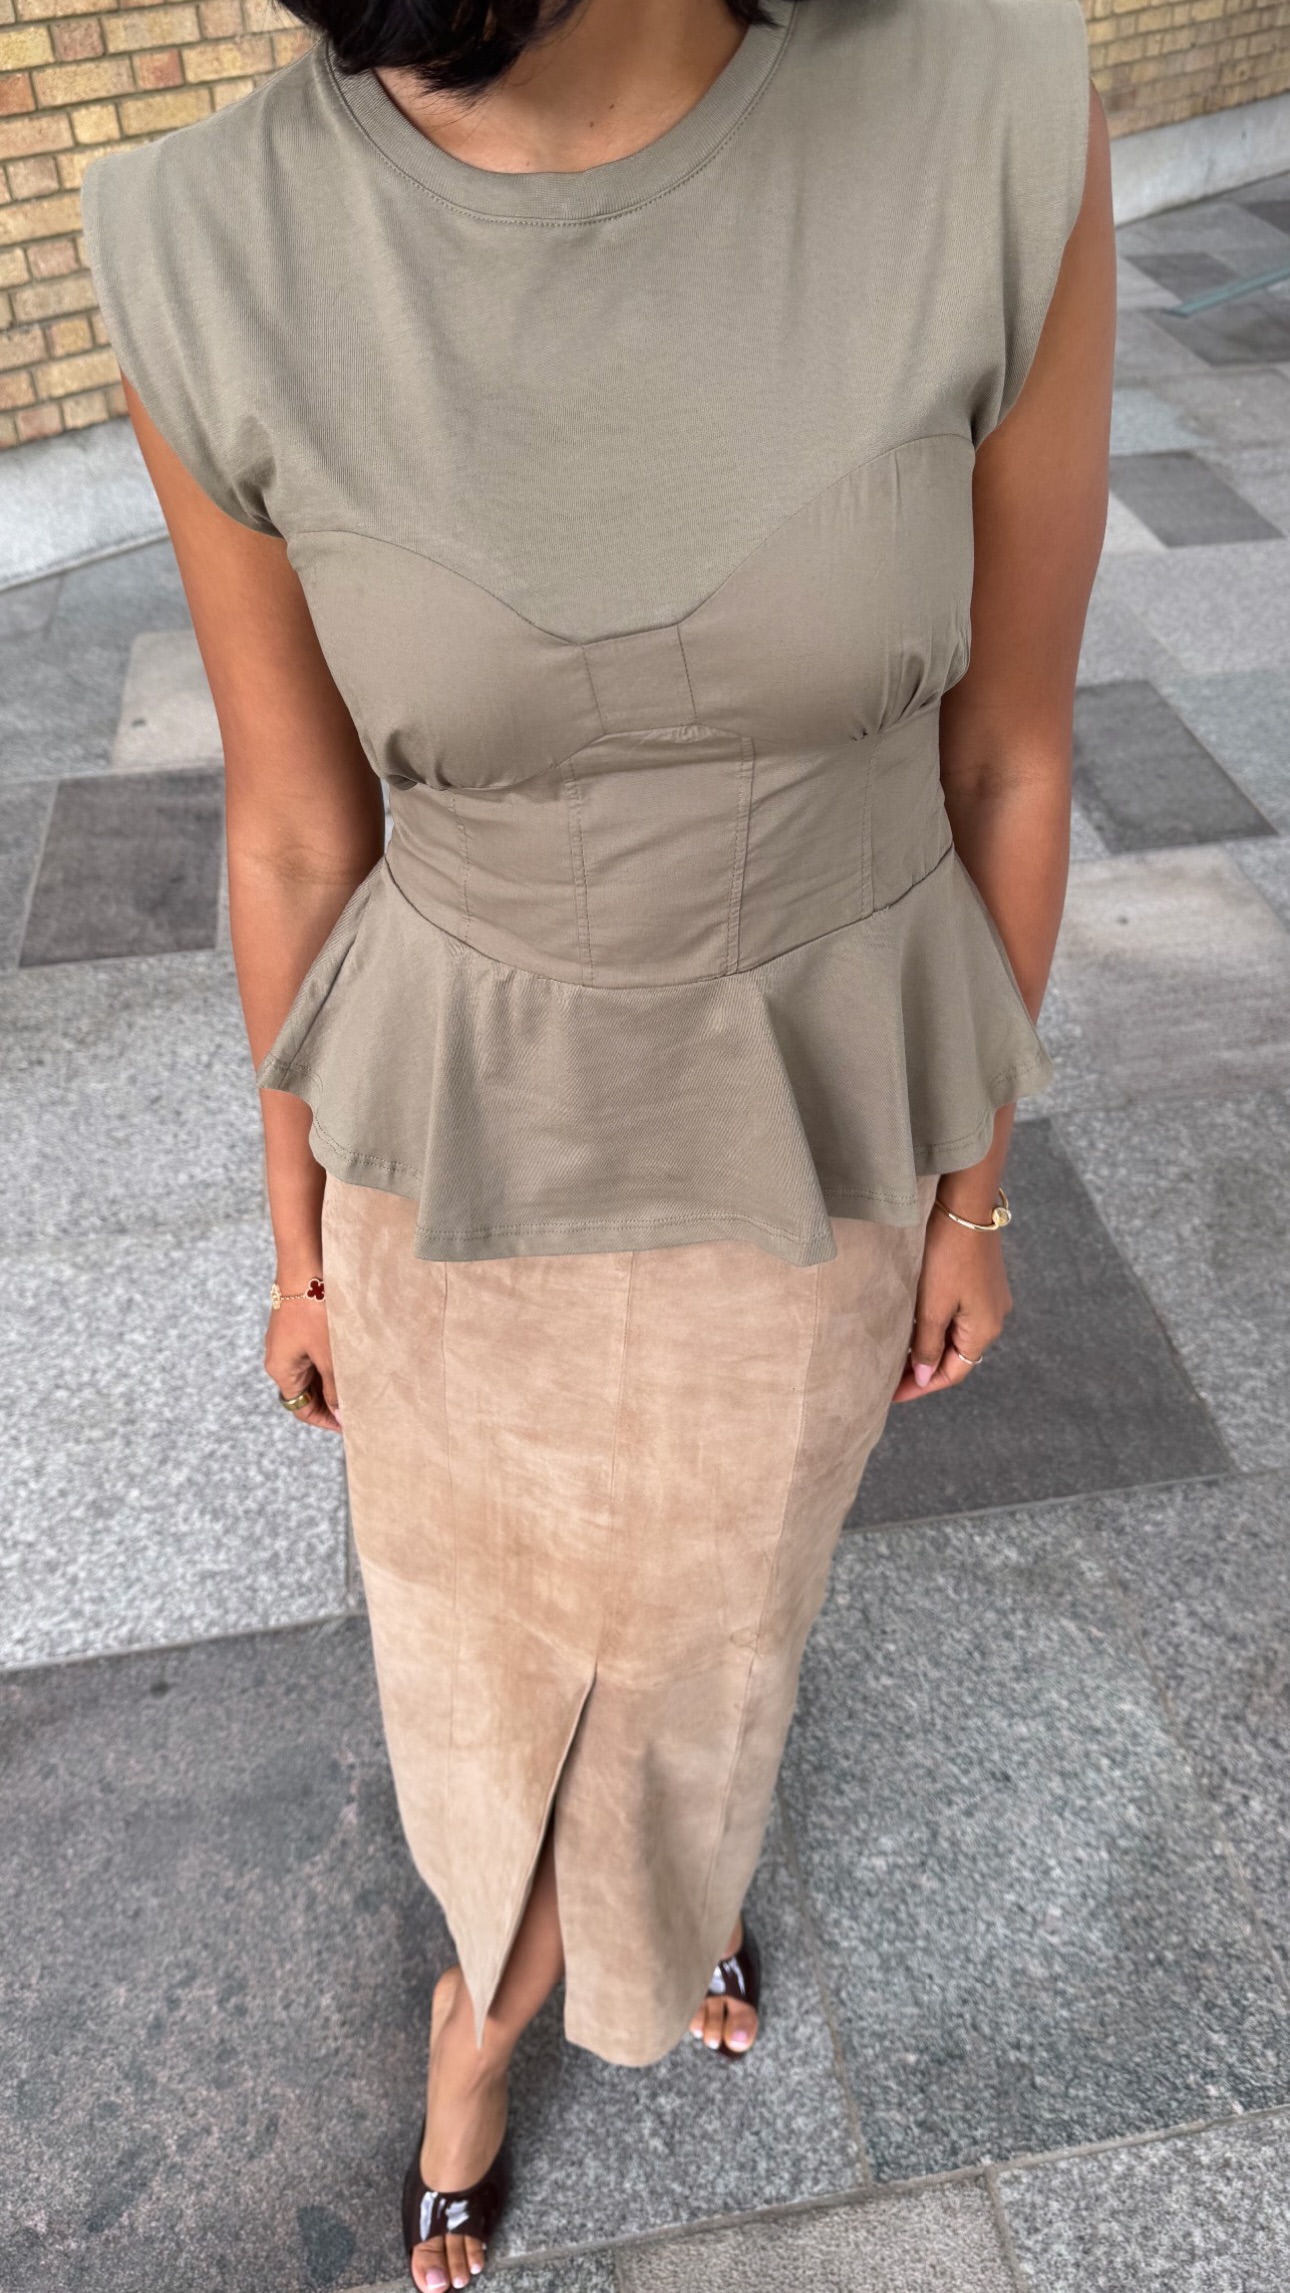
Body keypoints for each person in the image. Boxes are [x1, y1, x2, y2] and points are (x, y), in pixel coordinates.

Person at [80, 0, 1115, 2284]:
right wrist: (297, 1250)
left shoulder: (985, 112)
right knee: (474, 1647)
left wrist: (975, 1190)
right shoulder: (214, 234)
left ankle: (659, 1894)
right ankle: (490, 2004)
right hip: (451, 1142)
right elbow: (294, 827)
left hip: (814, 1123)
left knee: (710, 1627)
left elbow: (1009, 754)